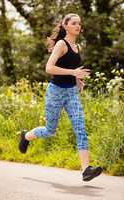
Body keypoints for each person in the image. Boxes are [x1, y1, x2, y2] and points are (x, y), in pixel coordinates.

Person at [18, 13, 103, 181]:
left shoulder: (77, 46)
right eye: (74, 23)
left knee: (80, 128)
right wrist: (73, 72)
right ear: (65, 26)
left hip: (71, 92)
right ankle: (26, 136)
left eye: (79, 23)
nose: (78, 26)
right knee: (50, 131)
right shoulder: (61, 44)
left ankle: (86, 169)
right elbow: (49, 68)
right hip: (55, 92)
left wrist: (77, 78)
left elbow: (70, 66)